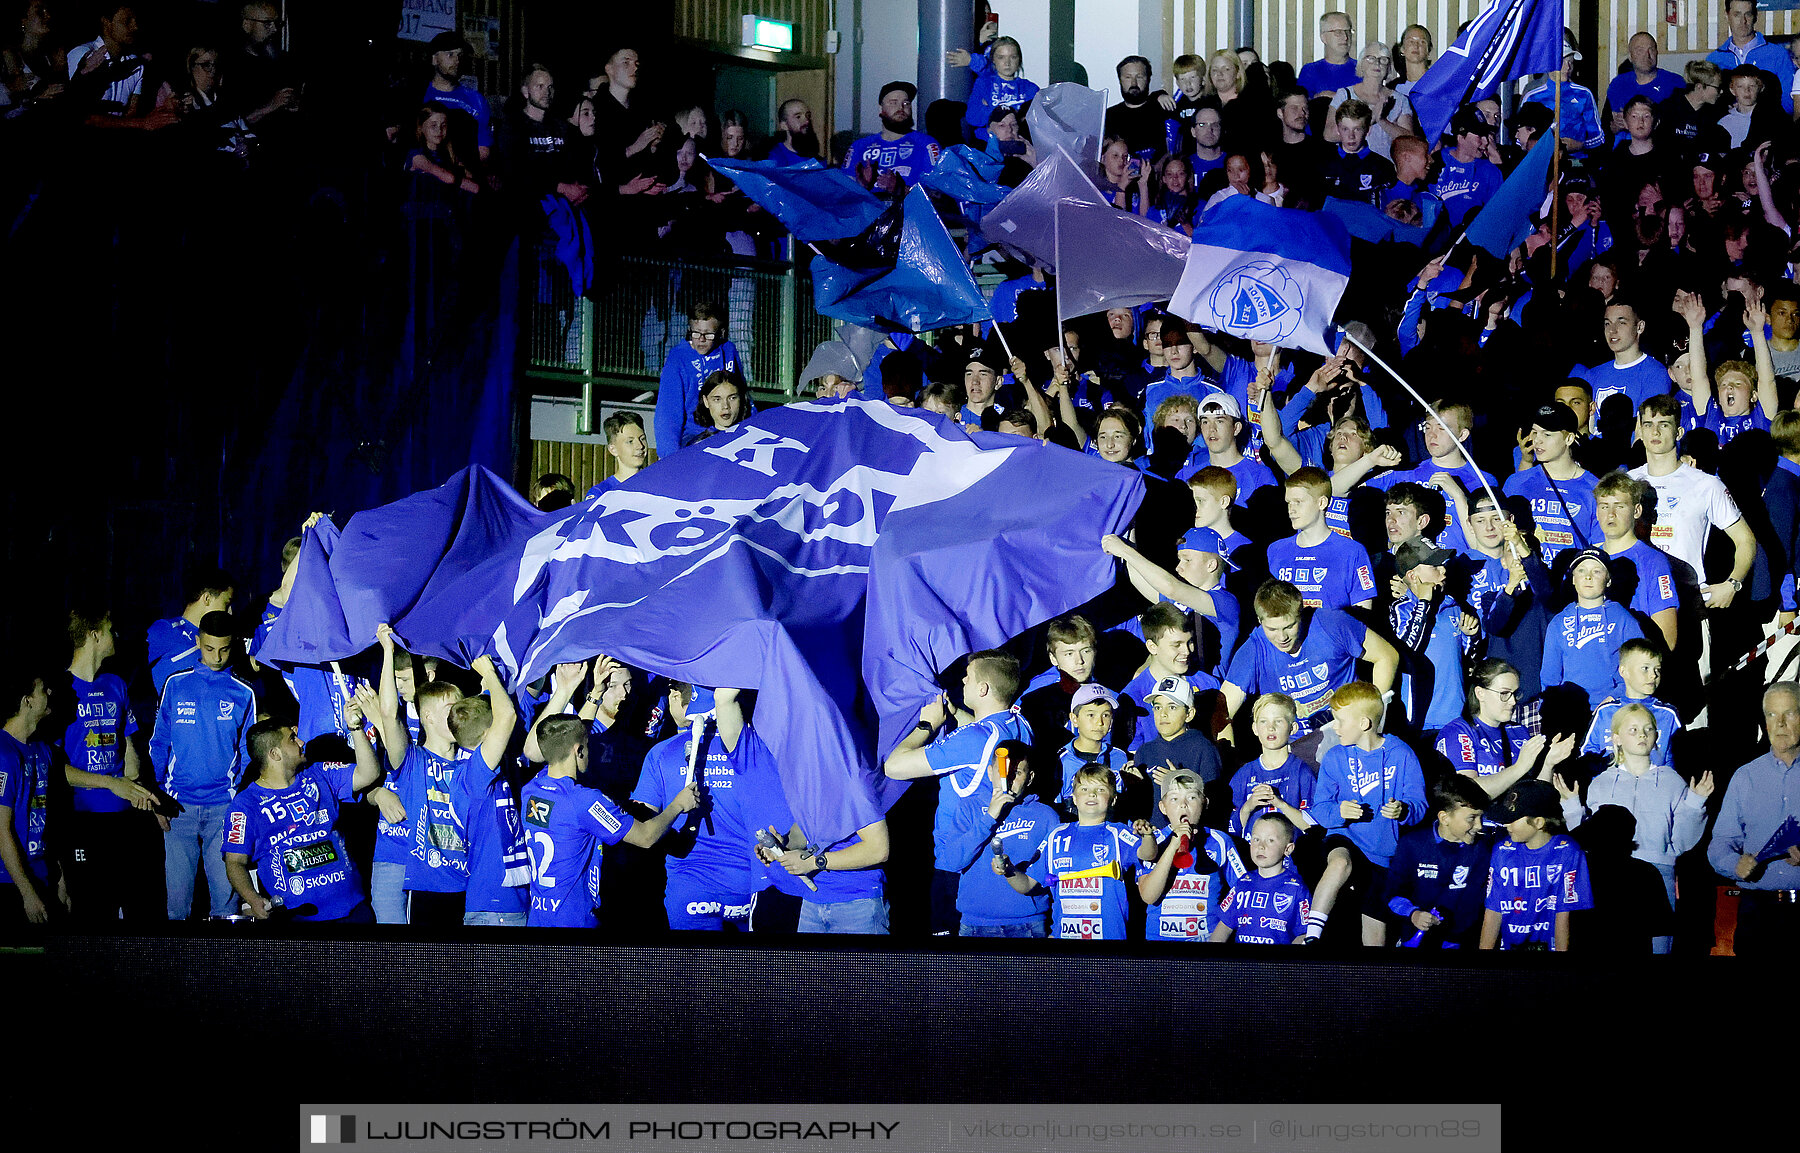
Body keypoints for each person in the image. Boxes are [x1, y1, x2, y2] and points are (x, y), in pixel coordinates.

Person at [884, 649, 1032, 934]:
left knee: (952, 973)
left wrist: (927, 725)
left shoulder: (971, 740)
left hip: (959, 867)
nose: (962, 682)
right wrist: (956, 713)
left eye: (967, 677)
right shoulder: (1019, 724)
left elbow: (894, 766)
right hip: (1001, 862)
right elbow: (982, 735)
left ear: (983, 688)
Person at [521, 713, 697, 929]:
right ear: (579, 750)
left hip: (538, 918)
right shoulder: (583, 801)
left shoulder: (530, 790)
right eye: (588, 745)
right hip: (574, 922)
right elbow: (646, 837)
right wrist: (678, 805)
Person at [1560, 703, 1710, 954]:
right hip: (1608, 880)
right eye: (1633, 730)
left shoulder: (1672, 781)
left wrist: (1695, 804)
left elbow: (1682, 840)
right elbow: (1588, 839)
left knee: (1657, 948)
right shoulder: (1601, 783)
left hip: (1657, 876)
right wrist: (1573, 807)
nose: (1642, 735)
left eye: (1648, 729)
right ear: (1616, 737)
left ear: (1656, 736)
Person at [223, 705, 384, 923]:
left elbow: (369, 773)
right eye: (292, 738)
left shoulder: (320, 773)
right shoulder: (245, 805)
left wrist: (355, 728)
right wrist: (253, 899)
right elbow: (235, 862)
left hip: (353, 910)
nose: (301, 742)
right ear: (274, 754)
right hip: (296, 918)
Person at [56, 607, 160, 924]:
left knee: (134, 905)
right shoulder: (61, 690)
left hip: (122, 821)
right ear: (95, 635)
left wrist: (134, 787)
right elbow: (54, 768)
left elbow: (127, 743)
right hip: (82, 821)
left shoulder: (115, 684)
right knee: (92, 907)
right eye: (110, 629)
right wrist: (110, 783)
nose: (116, 636)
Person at [149, 611, 255, 921]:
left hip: (224, 810)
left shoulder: (244, 692)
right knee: (176, 907)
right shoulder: (175, 684)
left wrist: (240, 801)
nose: (217, 656)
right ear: (198, 642)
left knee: (226, 907)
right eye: (209, 649)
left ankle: (222, 968)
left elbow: (249, 754)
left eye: (224, 649)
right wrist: (157, 797)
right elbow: (159, 744)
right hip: (176, 808)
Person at [1219, 580, 1399, 763]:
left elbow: (1387, 657)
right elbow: (1221, 711)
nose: (1282, 637)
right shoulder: (1254, 650)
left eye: (1289, 626)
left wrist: (1370, 717)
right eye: (1272, 629)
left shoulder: (1331, 623)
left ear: (1301, 613)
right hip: (1299, 751)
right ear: (1259, 621)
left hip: (1349, 735)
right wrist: (1231, 764)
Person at [1308, 681, 1427, 946]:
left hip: (1383, 852)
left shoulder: (1401, 753)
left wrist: (1403, 809)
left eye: (1339, 721)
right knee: (1339, 863)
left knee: (1375, 933)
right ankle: (1311, 937)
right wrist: (1339, 812)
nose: (1334, 728)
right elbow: (1320, 808)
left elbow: (1419, 804)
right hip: (1345, 837)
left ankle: (1375, 982)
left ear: (1364, 723)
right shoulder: (1334, 756)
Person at [632, 683, 756, 930]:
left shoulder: (662, 753)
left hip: (688, 885)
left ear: (678, 697)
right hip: (747, 883)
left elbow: (644, 819)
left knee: (693, 968)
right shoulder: (752, 748)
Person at [999, 765, 1150, 941]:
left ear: (1113, 799)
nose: (1091, 794)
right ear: (1074, 798)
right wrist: (1008, 870)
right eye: (1084, 789)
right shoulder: (1056, 835)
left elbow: (1147, 855)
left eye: (1100, 789)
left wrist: (1147, 836)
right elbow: (1027, 884)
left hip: (1110, 941)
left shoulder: (1120, 833)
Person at [1707, 682, 1800, 953]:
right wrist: (1734, 864)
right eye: (1772, 715)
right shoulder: (1745, 776)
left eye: (1790, 713)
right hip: (1757, 911)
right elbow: (1720, 842)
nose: (1780, 723)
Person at [445, 658, 527, 926]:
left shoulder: (471, 769)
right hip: (495, 909)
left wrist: (490, 683)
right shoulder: (473, 775)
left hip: (503, 904)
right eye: (497, 731)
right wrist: (488, 672)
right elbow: (508, 715)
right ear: (486, 735)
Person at [953, 740, 1057, 937]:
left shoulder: (1046, 816)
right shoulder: (969, 808)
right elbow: (952, 861)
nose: (1007, 779)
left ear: (1030, 777)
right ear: (991, 772)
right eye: (1002, 771)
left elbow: (1051, 874)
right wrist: (988, 818)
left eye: (1017, 773)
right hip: (975, 925)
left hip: (1029, 924)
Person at [1383, 775, 1497, 949]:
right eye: (1471, 818)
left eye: (1481, 817)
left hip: (1463, 944)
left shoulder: (1484, 848)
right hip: (1418, 943)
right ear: (1444, 818)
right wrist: (1413, 914)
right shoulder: (1413, 844)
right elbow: (1392, 894)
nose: (1479, 826)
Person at [1480, 780, 1594, 950]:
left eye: (1513, 819)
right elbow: (1493, 910)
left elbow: (1565, 914)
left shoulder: (1567, 851)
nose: (1506, 825)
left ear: (1539, 822)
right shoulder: (1502, 851)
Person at [1137, 769, 1248, 942]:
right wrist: (1173, 844)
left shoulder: (1220, 841)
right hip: (1160, 946)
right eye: (1174, 799)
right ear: (1162, 807)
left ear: (1205, 802)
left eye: (1192, 797)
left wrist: (1222, 927)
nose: (1183, 805)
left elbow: (1244, 888)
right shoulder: (1153, 842)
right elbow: (1149, 896)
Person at [1503, 401, 1601, 567]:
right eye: (1535, 432)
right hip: (1526, 584)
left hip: (1570, 585)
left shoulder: (1593, 489)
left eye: (1547, 435)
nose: (1537, 440)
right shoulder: (1516, 483)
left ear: (1569, 438)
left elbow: (1600, 547)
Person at [1544, 548, 1646, 709]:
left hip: (1614, 708)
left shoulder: (1623, 619)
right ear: (1573, 579)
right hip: (1571, 711)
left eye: (1597, 571)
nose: (1588, 576)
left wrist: (1615, 696)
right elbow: (1550, 677)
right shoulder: (1559, 623)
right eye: (1581, 570)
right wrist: (1551, 709)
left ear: (1609, 580)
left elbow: (1641, 666)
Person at [0, 671, 62, 929]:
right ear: (28, 701)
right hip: (11, 885)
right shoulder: (4, 754)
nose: (49, 694)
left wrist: (60, 879)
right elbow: (1, 830)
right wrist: (26, 892)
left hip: (43, 877)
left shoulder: (41, 749)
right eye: (43, 690)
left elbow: (49, 820)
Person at [1593, 471, 1680, 652]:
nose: (1611, 514)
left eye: (1619, 506)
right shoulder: (1587, 559)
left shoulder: (1654, 562)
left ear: (1637, 511)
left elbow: (1667, 639)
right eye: (1604, 506)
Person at [1267, 467, 1376, 611]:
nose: (1291, 509)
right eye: (1289, 502)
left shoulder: (1352, 552)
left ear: (1322, 503)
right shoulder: (1276, 550)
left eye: (1298, 502)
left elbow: (1363, 614)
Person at [653, 303, 744, 458]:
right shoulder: (678, 359)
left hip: (729, 431)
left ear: (719, 332)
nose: (701, 340)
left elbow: (743, 394)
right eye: (696, 333)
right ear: (690, 330)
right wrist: (669, 458)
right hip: (694, 436)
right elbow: (667, 415)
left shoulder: (728, 350)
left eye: (708, 335)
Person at [1208, 813, 1310, 944]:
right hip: (1244, 963)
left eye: (1270, 840)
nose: (1261, 846)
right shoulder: (1243, 882)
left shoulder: (1296, 888)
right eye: (1256, 839)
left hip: (1277, 963)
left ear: (1288, 849)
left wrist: (1286, 963)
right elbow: (1224, 927)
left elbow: (1304, 933)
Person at [1582, 640, 1683, 766]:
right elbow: (1587, 753)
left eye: (1657, 669)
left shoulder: (1668, 714)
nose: (1653, 675)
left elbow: (1675, 761)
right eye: (1645, 668)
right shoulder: (1605, 712)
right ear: (1624, 671)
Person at [1228, 692, 1315, 838]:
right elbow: (1231, 829)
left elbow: (1313, 826)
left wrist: (1280, 804)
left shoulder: (1302, 772)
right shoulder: (1244, 774)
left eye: (1278, 721)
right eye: (1263, 721)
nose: (1271, 727)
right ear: (1255, 728)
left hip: (1292, 855)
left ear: (1293, 728)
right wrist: (1249, 806)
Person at [146, 568, 235, 694]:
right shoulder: (165, 631)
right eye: (226, 604)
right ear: (207, 598)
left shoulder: (224, 642)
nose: (230, 612)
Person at [843, 81, 940, 192]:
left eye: (906, 103)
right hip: (871, 209)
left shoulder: (927, 144)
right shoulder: (859, 147)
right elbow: (842, 195)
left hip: (908, 209)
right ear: (880, 109)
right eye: (893, 103)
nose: (901, 108)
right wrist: (861, 187)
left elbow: (939, 195)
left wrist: (901, 189)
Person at [1705, 0, 1796, 115]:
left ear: (1755, 16)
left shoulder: (1777, 54)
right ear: (1727, 16)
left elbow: (1790, 101)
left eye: (1748, 14)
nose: (1743, 21)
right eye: (1737, 14)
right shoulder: (1714, 60)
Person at [947, 33, 1038, 144]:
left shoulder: (1030, 88)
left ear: (1019, 59)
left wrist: (990, 108)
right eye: (1001, 57)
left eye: (1013, 57)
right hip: (987, 146)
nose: (1007, 63)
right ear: (993, 60)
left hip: (1018, 145)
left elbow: (1036, 125)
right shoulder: (984, 83)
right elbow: (973, 118)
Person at [421, 31, 490, 160]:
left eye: (460, 55)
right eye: (450, 54)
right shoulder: (419, 96)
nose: (457, 61)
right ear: (434, 59)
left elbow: (483, 148)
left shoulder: (477, 100)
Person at [1429, 107, 1503, 226]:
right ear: (1461, 137)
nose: (1485, 142)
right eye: (1479, 136)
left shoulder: (1490, 171)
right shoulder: (1435, 162)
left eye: (1485, 135)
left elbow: (1497, 214)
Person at [1104, 55, 1179, 161]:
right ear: (1120, 80)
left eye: (1139, 77)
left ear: (1148, 79)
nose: (1134, 83)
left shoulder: (1164, 108)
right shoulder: (1108, 116)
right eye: (1128, 77)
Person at [1607, 31, 1684, 135]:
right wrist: (1615, 127)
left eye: (1651, 49)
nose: (1647, 55)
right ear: (1630, 56)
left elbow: (1684, 125)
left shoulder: (1675, 82)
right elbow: (1608, 125)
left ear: (1657, 52)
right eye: (1640, 51)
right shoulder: (1618, 84)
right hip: (1625, 146)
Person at [585, 412, 650, 498]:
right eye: (630, 441)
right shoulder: (601, 493)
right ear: (613, 450)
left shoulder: (657, 487)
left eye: (642, 439)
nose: (640, 446)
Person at [1298, 11, 1358, 98]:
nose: (1345, 37)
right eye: (1338, 32)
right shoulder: (1310, 71)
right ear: (1323, 37)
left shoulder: (1364, 69)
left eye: (1348, 31)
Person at [685, 371, 748, 445]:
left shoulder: (753, 434)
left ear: (741, 398)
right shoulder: (697, 445)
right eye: (717, 399)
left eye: (732, 398)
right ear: (706, 401)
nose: (725, 406)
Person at [767, 97, 817, 164]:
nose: (806, 121)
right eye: (798, 117)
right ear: (784, 125)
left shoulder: (814, 156)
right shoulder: (775, 158)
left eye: (808, 116)